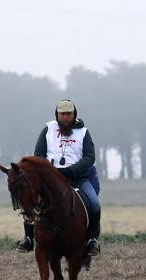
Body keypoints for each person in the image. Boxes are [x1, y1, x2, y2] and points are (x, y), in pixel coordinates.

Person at [16, 99, 101, 265]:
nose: (65, 117)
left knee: (95, 203)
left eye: (68, 114)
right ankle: (28, 238)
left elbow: (90, 157)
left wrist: (71, 171)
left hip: (77, 178)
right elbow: (38, 155)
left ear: (74, 114)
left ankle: (92, 240)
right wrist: (50, 171)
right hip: (51, 181)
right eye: (62, 114)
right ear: (57, 115)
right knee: (33, 202)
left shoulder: (83, 132)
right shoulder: (47, 130)